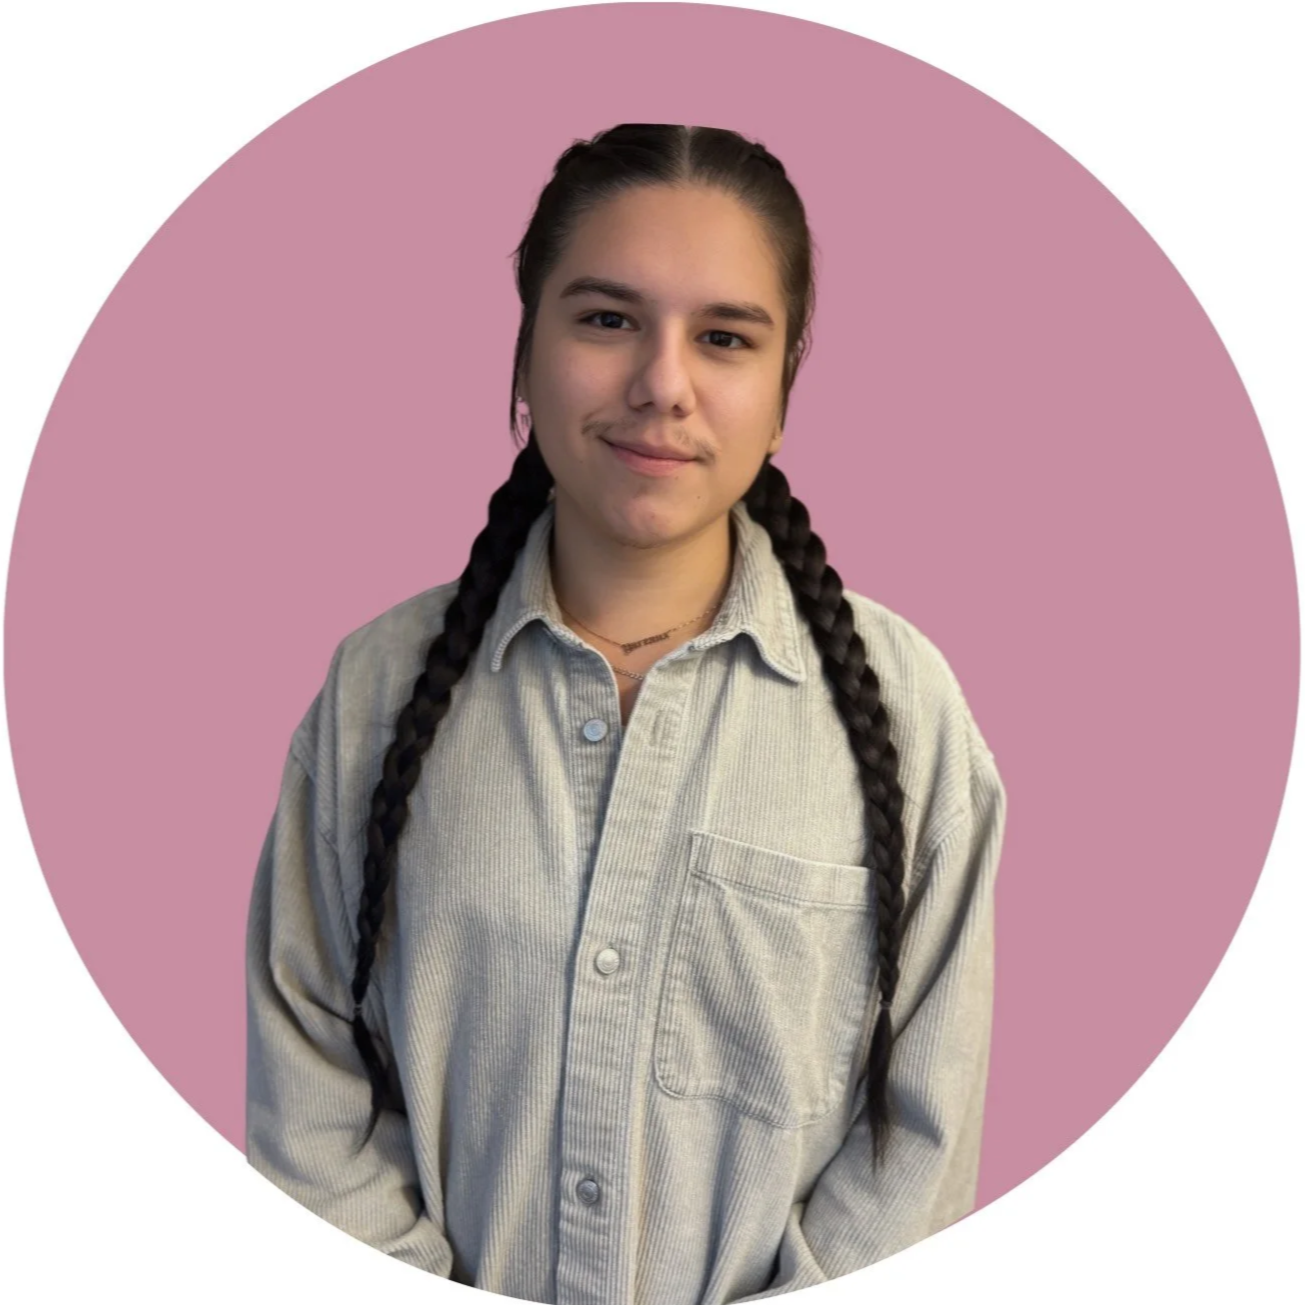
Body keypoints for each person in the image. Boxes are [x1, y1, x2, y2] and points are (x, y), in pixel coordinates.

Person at [245, 123, 1008, 1305]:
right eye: (605, 319)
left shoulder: (912, 716)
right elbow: (307, 1095)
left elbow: (921, 1143)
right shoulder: (373, 691)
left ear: (784, 385)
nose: (663, 382)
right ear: (524, 349)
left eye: (724, 337)